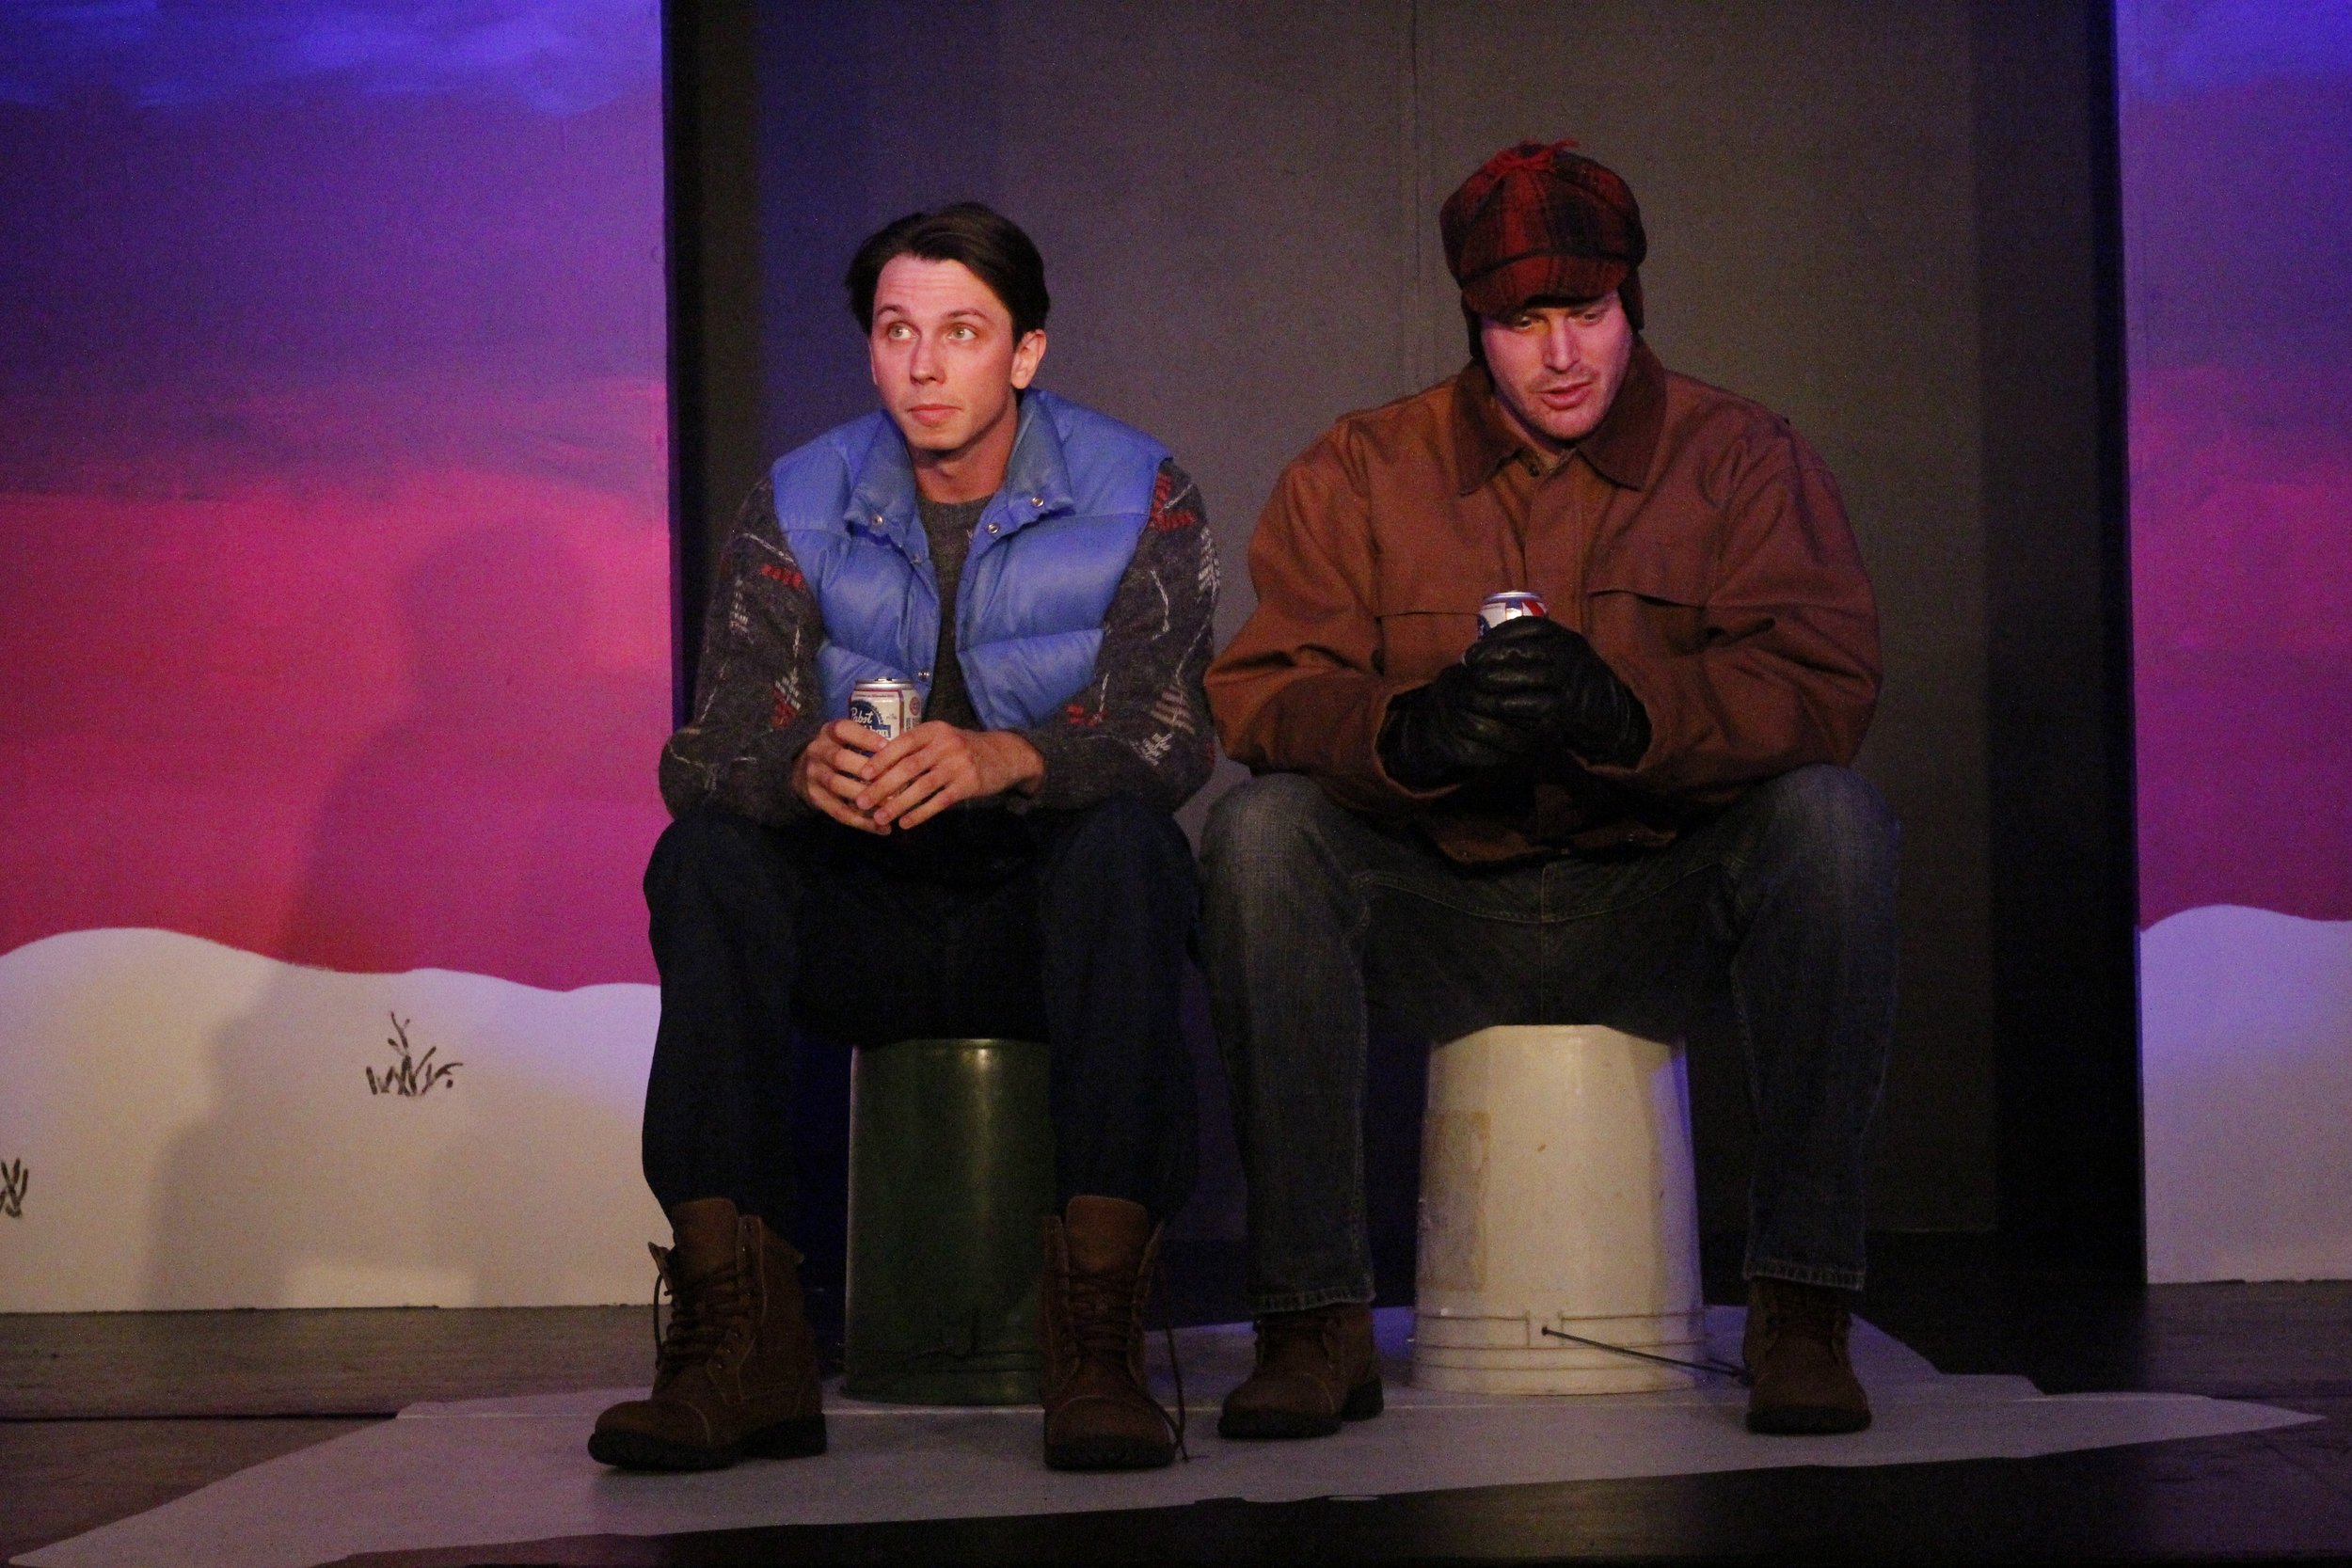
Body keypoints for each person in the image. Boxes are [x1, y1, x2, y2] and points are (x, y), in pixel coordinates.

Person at [1200, 142, 1896, 1438]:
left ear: (1636, 304)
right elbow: (1264, 691)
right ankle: (1312, 1319)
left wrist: (1633, 713)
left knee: (1836, 828)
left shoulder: (1743, 456)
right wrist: (1408, 733)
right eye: (1525, 323)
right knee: (1258, 835)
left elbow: (1824, 684)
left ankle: (1804, 1308)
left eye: (1589, 314)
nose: (1564, 354)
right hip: (1442, 909)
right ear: (1478, 323)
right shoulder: (1360, 468)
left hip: (1659, 904)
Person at [592, 203, 1216, 1474]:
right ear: (871, 350)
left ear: (1026, 353)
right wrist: (793, 762)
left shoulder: (1138, 490)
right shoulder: (802, 497)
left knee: (1132, 857)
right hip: (863, 916)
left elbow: (1172, 739)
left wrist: (1013, 755)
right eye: (898, 333)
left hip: (1038, 920)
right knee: (704, 857)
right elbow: (703, 755)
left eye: (963, 333)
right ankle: (738, 1347)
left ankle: (1094, 1348)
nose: (927, 367)